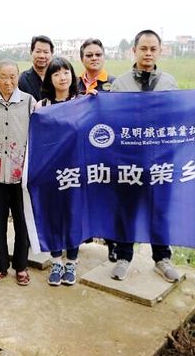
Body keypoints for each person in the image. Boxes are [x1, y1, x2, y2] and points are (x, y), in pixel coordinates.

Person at [110, 29, 181, 283]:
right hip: (129, 159)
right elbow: (112, 118)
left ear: (160, 51)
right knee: (127, 209)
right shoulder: (120, 84)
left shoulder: (169, 82)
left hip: (162, 158)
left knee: (159, 210)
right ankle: (123, 256)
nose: (148, 53)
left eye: (153, 49)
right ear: (134, 51)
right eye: (143, 48)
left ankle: (162, 258)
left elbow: (178, 117)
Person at [0, 60, 36, 286]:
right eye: (3, 76)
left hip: (21, 175)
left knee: (22, 222)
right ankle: (0, 266)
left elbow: (38, 134)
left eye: (12, 76)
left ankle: (21, 266)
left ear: (18, 77)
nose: (8, 81)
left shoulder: (29, 102)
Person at [34, 56, 83, 286]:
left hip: (75, 170)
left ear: (72, 75)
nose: (62, 77)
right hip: (50, 172)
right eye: (56, 73)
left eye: (66, 72)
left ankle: (71, 262)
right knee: (52, 215)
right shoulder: (41, 107)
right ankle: (56, 261)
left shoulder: (83, 103)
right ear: (49, 79)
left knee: (73, 215)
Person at [77, 38, 120, 261]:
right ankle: (81, 237)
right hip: (80, 150)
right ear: (82, 59)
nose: (94, 58)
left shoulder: (115, 84)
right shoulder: (74, 83)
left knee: (108, 198)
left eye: (98, 54)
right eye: (89, 55)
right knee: (81, 195)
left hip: (107, 151)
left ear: (104, 56)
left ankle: (113, 244)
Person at [18, 35, 54, 100]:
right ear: (31, 52)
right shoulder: (21, 79)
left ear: (52, 54)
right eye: (38, 51)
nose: (42, 56)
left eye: (46, 52)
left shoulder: (58, 78)